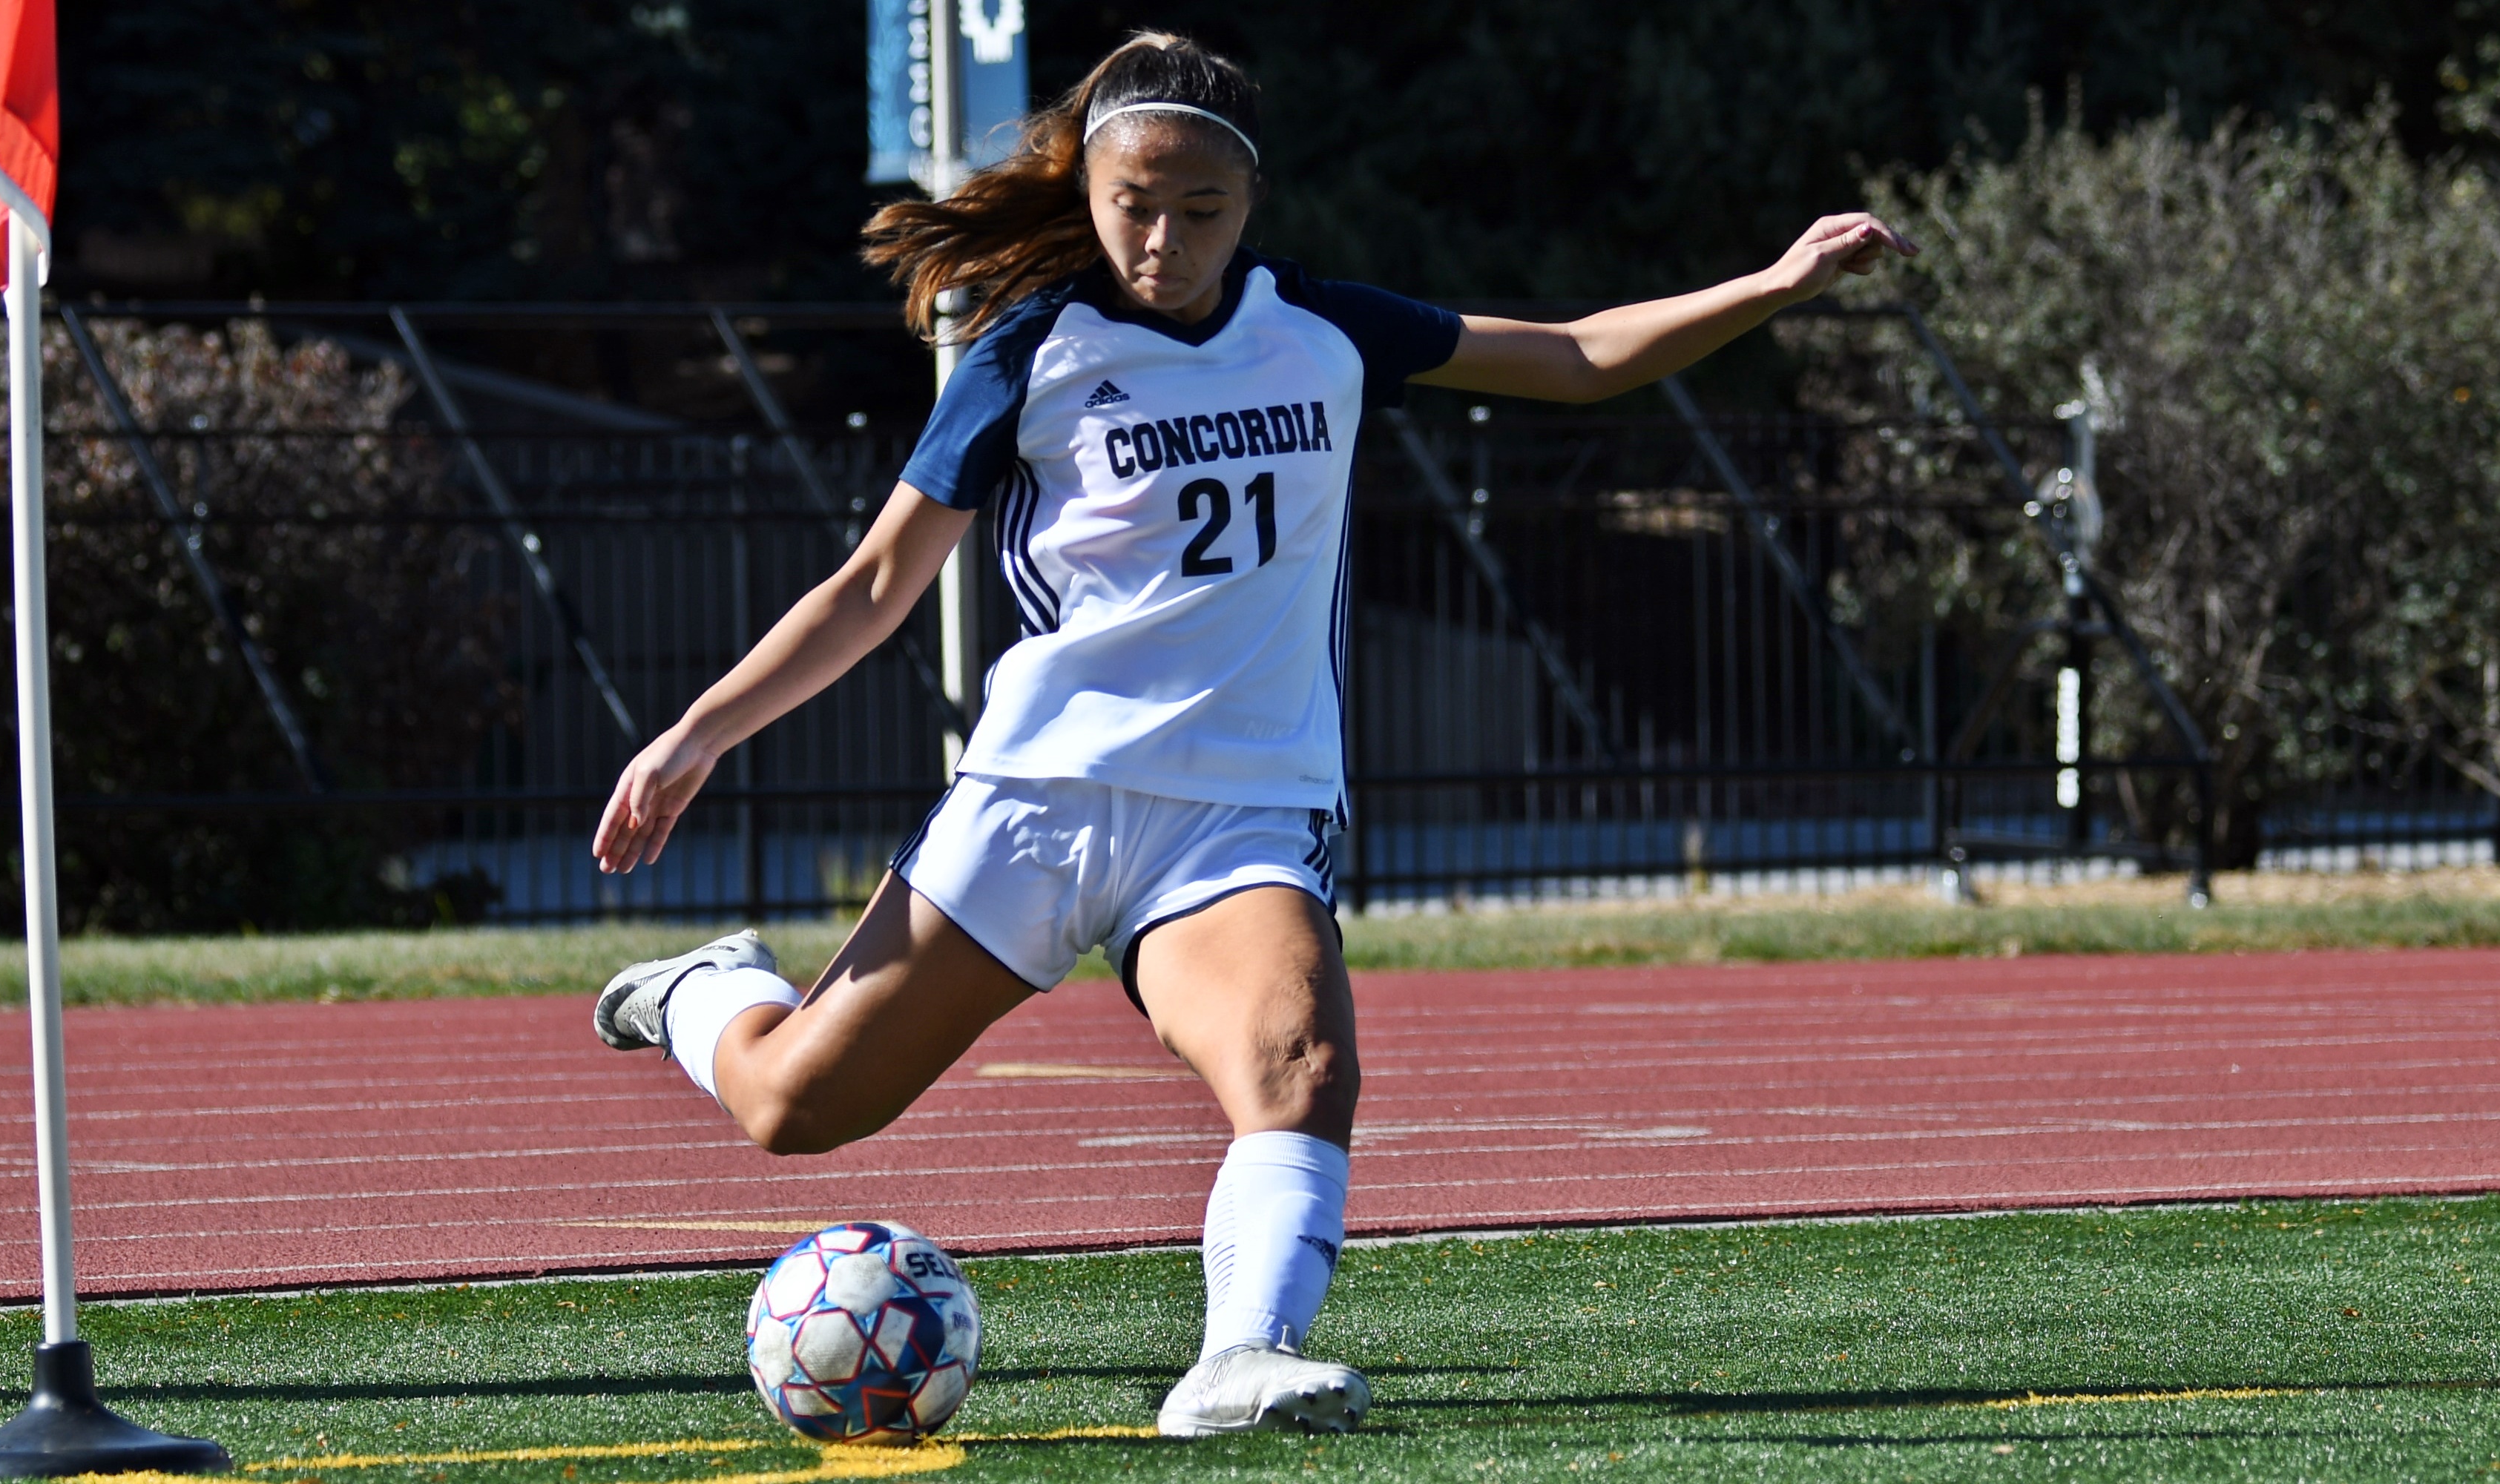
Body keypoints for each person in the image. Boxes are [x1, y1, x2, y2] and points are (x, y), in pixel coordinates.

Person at [585, 31, 1914, 1437]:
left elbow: (1579, 358)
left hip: (1241, 809)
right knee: (795, 1105)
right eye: (1131, 205)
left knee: (1303, 1063)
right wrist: (696, 733)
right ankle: (703, 989)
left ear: (1251, 201)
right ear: (1088, 190)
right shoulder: (1028, 347)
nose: (1161, 239)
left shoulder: (1325, 331)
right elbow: (871, 589)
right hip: (1042, 797)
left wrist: (1773, 285)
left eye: (1199, 210)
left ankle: (1238, 1356)